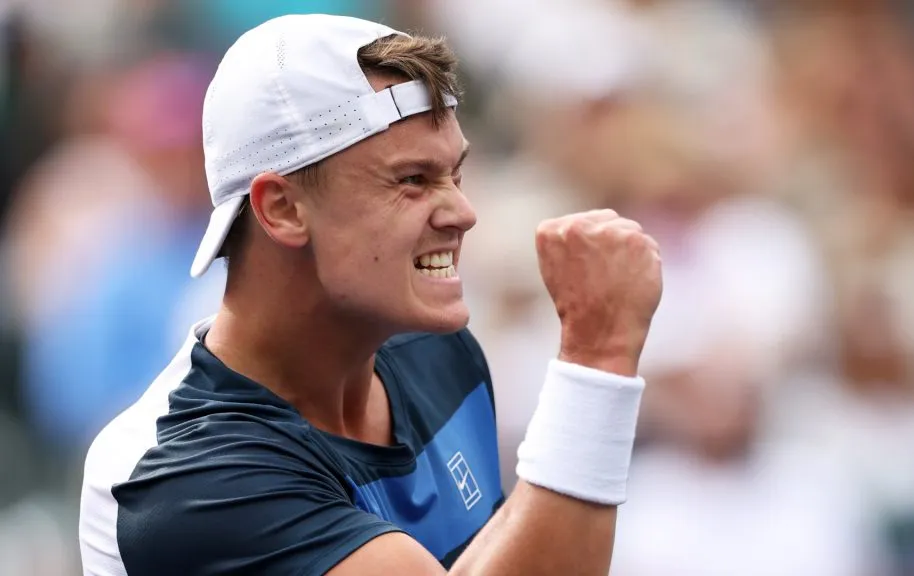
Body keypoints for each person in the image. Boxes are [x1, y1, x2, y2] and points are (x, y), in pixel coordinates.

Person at [78, 14, 662, 576]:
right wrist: (597, 358)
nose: (463, 213)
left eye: (454, 175)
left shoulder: (440, 353)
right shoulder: (183, 477)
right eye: (412, 180)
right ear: (281, 209)